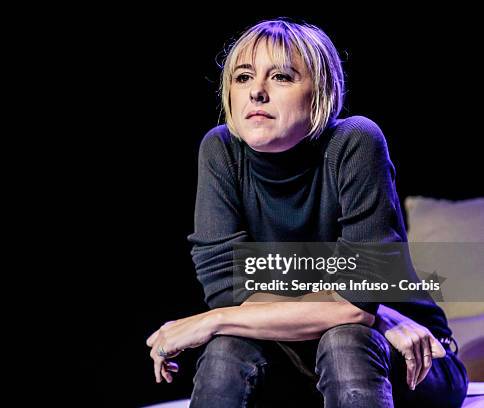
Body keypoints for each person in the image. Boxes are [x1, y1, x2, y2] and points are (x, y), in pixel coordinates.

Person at [146, 18, 468, 407]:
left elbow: (355, 302)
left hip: (412, 352)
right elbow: (229, 293)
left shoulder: (355, 141)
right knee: (225, 350)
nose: (256, 93)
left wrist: (211, 320)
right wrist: (370, 314)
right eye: (243, 77)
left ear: (320, 93)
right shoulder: (221, 151)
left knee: (346, 341)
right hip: (296, 352)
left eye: (281, 76)